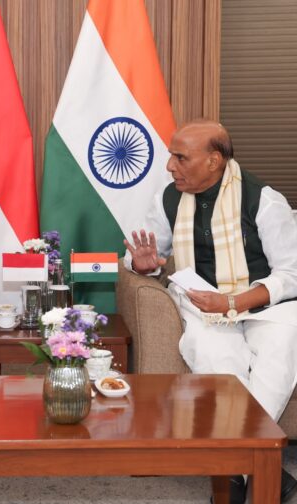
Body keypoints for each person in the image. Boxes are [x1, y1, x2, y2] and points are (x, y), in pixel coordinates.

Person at [124, 119, 297, 504]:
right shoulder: (168, 198)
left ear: (214, 161)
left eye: (180, 157)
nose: (170, 166)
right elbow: (144, 256)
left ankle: (232, 470)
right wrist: (143, 264)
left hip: (266, 304)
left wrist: (235, 302)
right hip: (202, 301)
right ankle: (255, 469)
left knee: (279, 355)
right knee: (216, 358)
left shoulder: (263, 199)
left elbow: (292, 273)